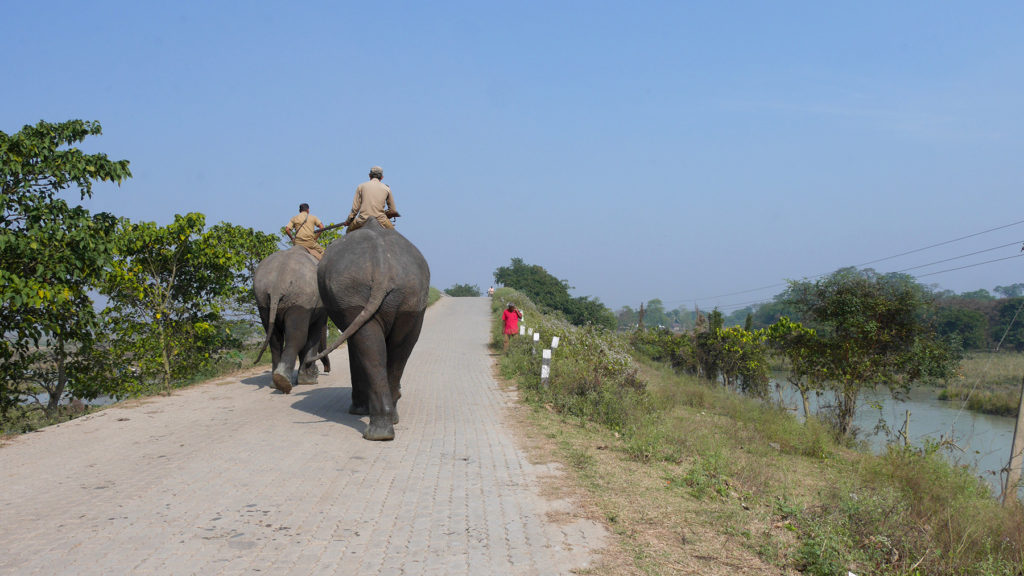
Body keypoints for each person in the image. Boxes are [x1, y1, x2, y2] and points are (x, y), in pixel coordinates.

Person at [344, 165, 399, 231]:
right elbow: (392, 210)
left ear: (369, 176)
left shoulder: (361, 186)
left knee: (348, 231)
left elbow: (355, 209)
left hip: (362, 220)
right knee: (393, 235)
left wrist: (348, 221)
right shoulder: (387, 188)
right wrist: (385, 213)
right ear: (382, 177)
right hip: (381, 220)